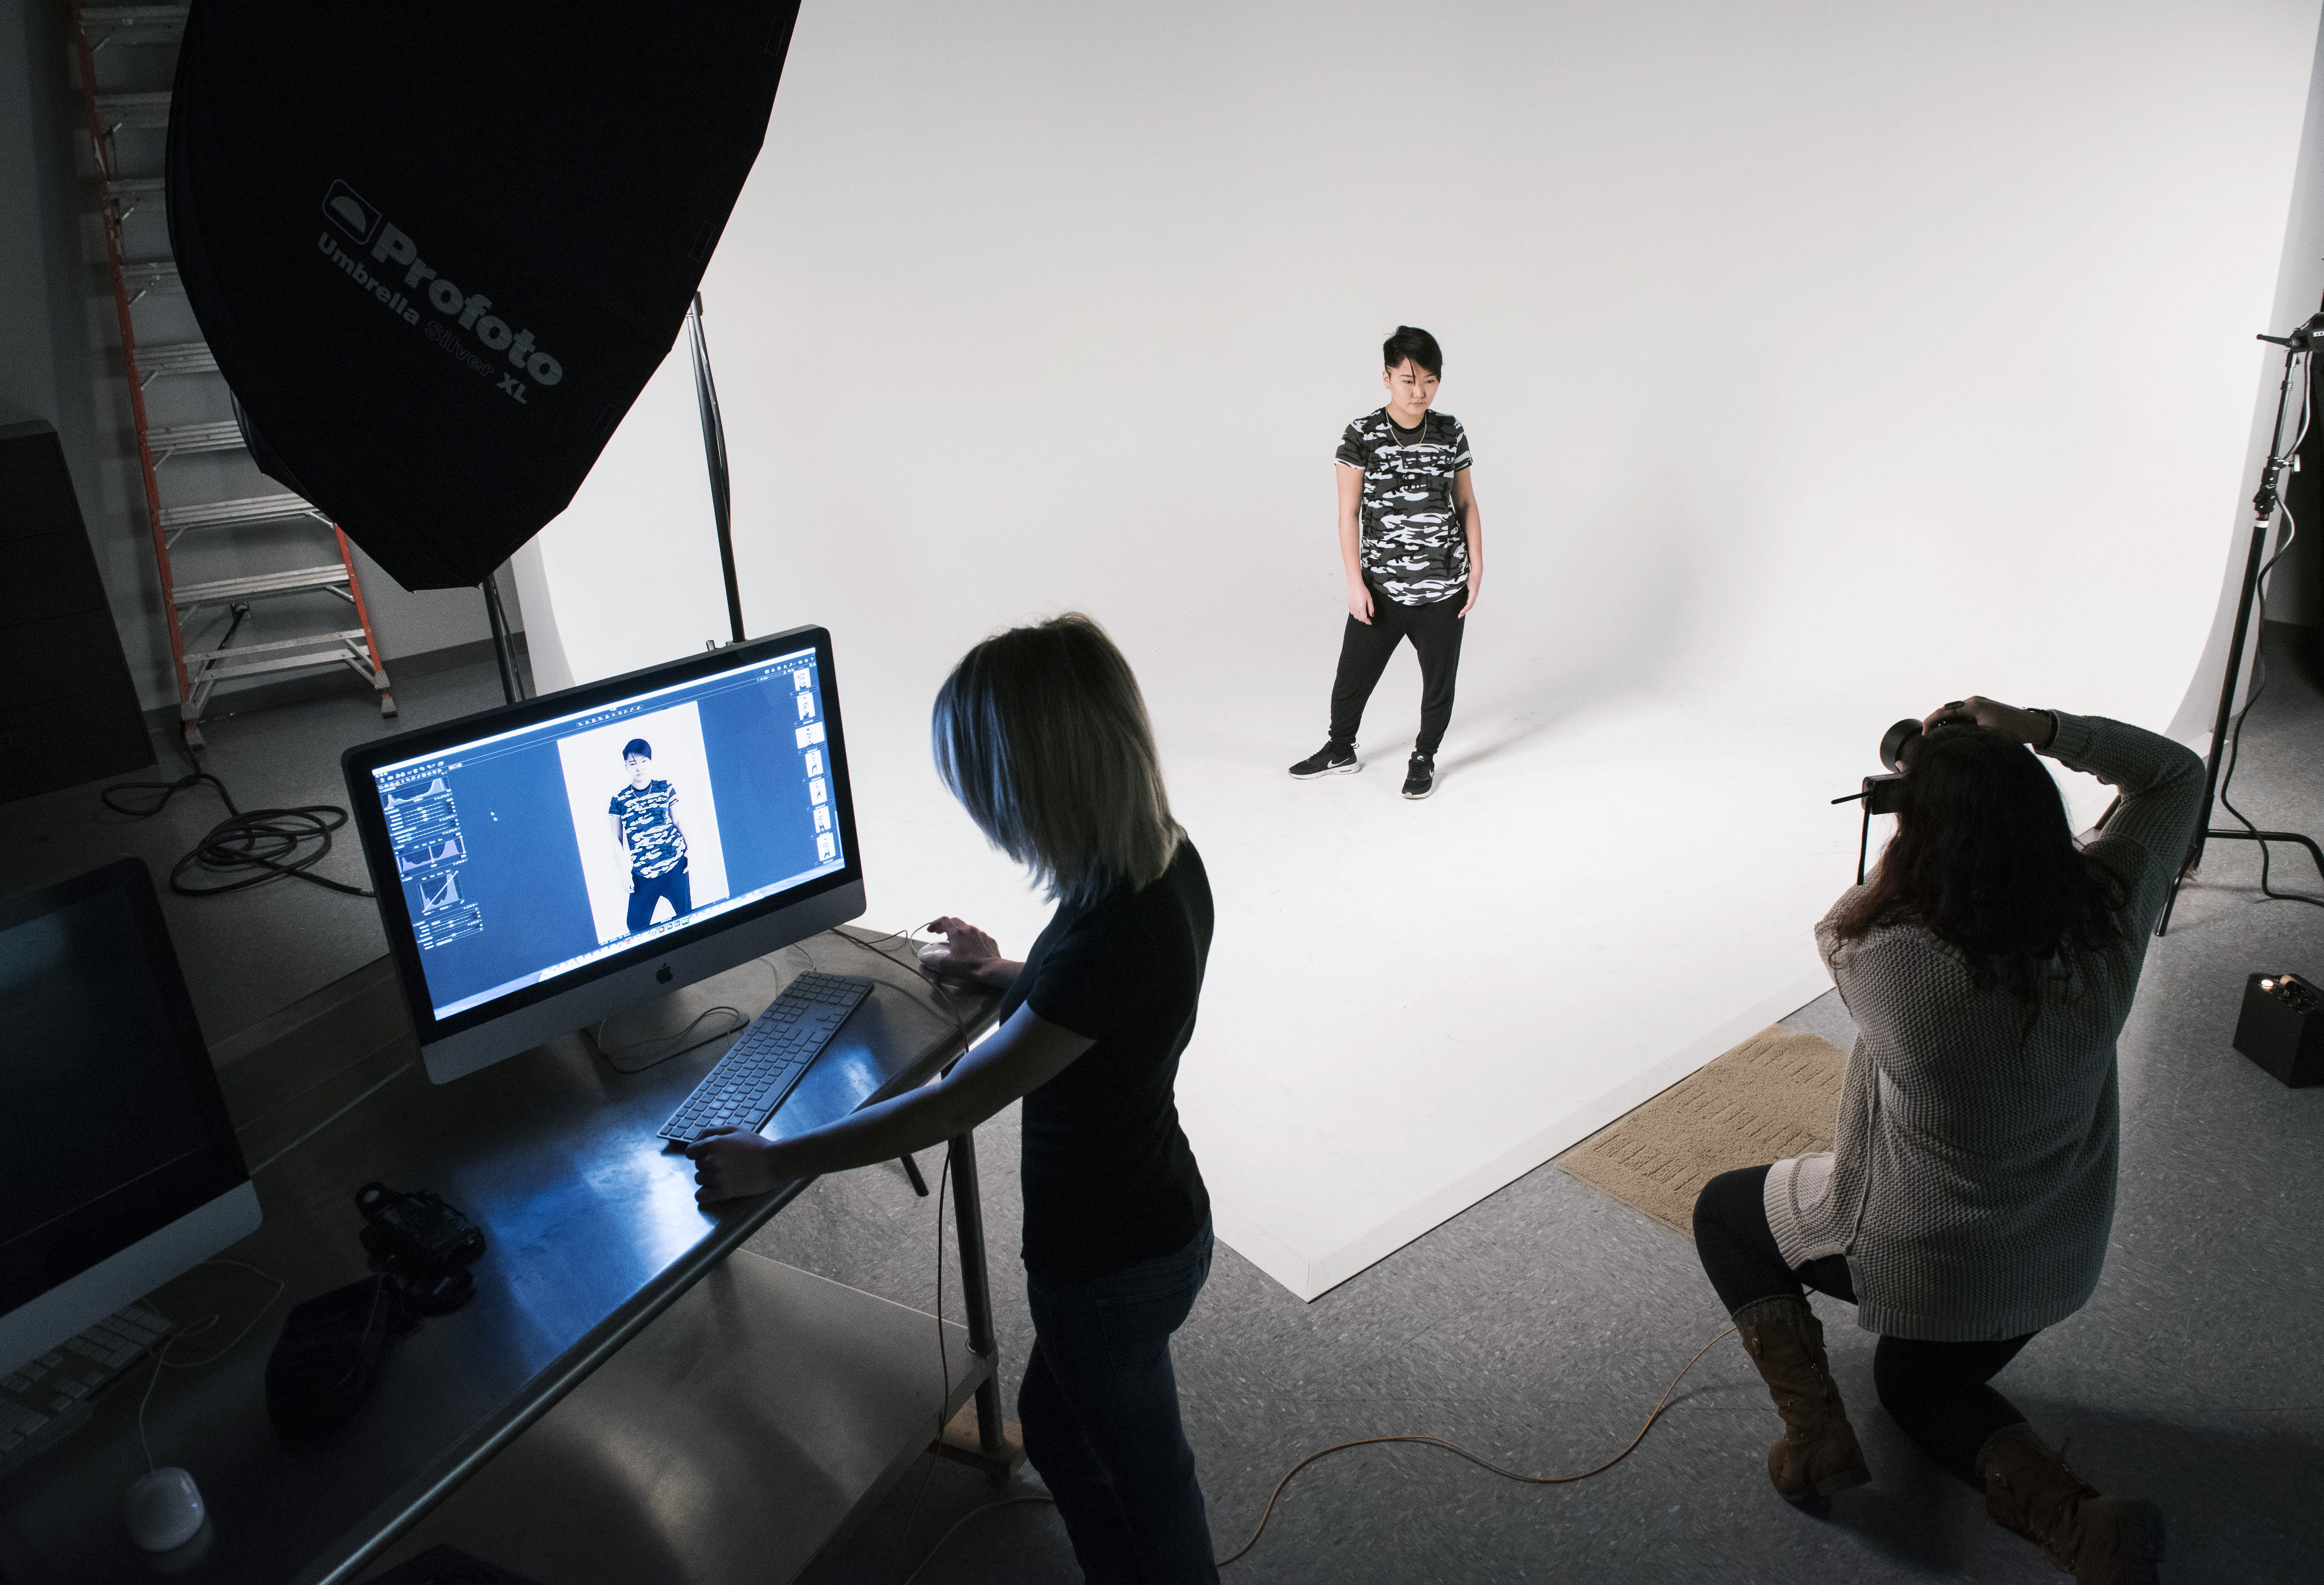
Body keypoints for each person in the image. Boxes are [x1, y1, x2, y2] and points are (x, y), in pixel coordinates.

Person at [688, 614, 1220, 1583]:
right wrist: (1005, 968)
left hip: (1108, 1268)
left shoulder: (1108, 941)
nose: (983, 812)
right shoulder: (1162, 866)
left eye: (984, 790)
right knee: (1061, 1435)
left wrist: (773, 1160)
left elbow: (947, 1105)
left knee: (1150, 1481)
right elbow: (1097, 1012)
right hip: (1152, 1223)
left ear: (1037, 786)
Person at [1691, 696, 2200, 1585]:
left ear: (1916, 831)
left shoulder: (1871, 951)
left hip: (1927, 1252)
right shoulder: (2111, 916)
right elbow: (2174, 774)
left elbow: (1863, 908)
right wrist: (2032, 728)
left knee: (1723, 1212)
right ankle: (2077, 1519)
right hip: (2052, 1259)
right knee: (1918, 1388)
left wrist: (1921, 800)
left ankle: (1813, 1435)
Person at [1288, 324, 1483, 801]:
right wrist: (1355, 584)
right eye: (1408, 379)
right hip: (1382, 587)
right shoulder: (1361, 435)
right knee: (1351, 676)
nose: (1419, 392)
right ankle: (1340, 748)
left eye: (1430, 381)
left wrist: (1476, 568)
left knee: (1438, 683)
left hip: (1443, 586)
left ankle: (1424, 757)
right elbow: (1347, 514)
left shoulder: (1449, 430)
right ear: (1386, 377)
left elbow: (1466, 504)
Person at [608, 738, 692, 934]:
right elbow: (616, 840)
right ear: (626, 767)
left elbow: (678, 821)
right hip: (643, 873)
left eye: (644, 761)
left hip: (674, 865)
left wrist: (692, 851)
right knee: (636, 925)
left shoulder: (666, 788)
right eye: (633, 763)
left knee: (687, 917)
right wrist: (624, 874)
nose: (639, 768)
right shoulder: (619, 800)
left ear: (650, 762)